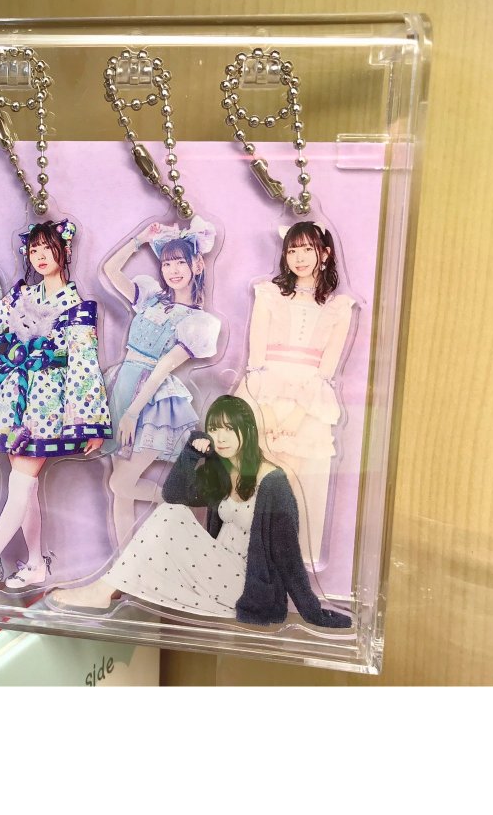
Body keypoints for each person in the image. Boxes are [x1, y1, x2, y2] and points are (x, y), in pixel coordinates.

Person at [47, 395, 351, 629]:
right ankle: (108, 588)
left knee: (171, 516)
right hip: (216, 572)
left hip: (248, 588)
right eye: (215, 429)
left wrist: (313, 613)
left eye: (229, 429)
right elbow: (174, 495)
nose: (221, 438)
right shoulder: (222, 473)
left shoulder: (273, 482)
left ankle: (104, 590)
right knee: (171, 512)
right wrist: (191, 453)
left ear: (247, 430)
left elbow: (289, 557)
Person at [0, 219, 111, 595]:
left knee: (22, 484)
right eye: (34, 249)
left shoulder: (77, 307)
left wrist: (89, 422)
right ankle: (34, 565)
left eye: (48, 247)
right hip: (13, 397)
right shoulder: (20, 297)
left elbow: (84, 364)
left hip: (46, 406)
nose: (40, 255)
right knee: (24, 487)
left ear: (63, 251)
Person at [236, 221, 355, 563]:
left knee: (291, 479)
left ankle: (282, 560)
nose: (299, 257)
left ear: (324, 254)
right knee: (252, 475)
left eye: (307, 249)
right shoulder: (269, 295)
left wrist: (296, 418)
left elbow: (326, 371)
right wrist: (267, 413)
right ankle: (243, 553)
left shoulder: (338, 307)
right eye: (292, 250)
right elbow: (256, 360)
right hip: (263, 395)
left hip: (307, 405)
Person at [102, 217, 220, 549]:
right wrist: (139, 239)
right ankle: (123, 562)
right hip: (121, 386)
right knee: (121, 491)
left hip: (153, 400)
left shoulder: (197, 322)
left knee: (119, 483)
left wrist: (132, 413)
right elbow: (110, 270)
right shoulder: (151, 298)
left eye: (180, 262)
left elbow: (163, 368)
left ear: (197, 265)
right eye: (167, 263)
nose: (172, 270)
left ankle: (187, 498)